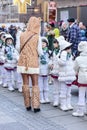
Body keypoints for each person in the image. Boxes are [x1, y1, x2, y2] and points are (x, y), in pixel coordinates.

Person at [17, 16, 42, 113]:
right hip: (33, 62)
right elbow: (39, 51)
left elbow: (18, 48)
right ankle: (36, 106)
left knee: (25, 84)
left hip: (22, 62)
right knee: (35, 84)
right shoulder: (37, 36)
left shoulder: (21, 34)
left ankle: (27, 105)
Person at [58, 40, 76, 111]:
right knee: (64, 91)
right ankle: (63, 104)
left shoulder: (69, 54)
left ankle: (68, 104)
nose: (70, 49)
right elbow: (62, 63)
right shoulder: (64, 53)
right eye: (68, 48)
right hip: (65, 75)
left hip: (68, 75)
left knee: (68, 91)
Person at [72, 41, 87, 117]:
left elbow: (75, 68)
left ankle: (80, 111)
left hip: (82, 78)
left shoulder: (78, 59)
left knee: (81, 95)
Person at [49, 38, 60, 107]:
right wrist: (50, 64)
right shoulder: (53, 51)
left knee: (61, 87)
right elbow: (51, 59)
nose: (54, 44)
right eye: (54, 43)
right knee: (55, 86)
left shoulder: (62, 51)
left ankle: (61, 100)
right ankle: (56, 100)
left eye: (56, 43)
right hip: (55, 70)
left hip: (60, 71)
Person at [38, 37, 50, 104]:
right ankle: (41, 97)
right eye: (41, 43)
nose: (43, 44)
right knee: (40, 84)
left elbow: (51, 59)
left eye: (44, 43)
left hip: (46, 70)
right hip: (40, 70)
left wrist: (50, 64)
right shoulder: (38, 52)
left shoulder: (49, 51)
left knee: (46, 84)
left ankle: (46, 97)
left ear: (46, 44)